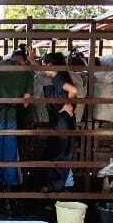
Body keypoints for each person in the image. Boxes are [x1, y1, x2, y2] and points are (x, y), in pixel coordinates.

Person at [0, 46, 33, 189]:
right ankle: (10, 184)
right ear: (23, 60)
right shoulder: (27, 73)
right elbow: (26, 103)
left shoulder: (0, 66)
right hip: (11, 114)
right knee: (10, 148)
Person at [41, 51, 80, 192]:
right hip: (61, 122)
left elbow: (73, 90)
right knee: (62, 152)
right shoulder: (59, 76)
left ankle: (58, 187)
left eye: (44, 65)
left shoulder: (58, 78)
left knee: (59, 153)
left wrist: (68, 104)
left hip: (62, 123)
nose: (42, 68)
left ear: (51, 65)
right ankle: (66, 186)